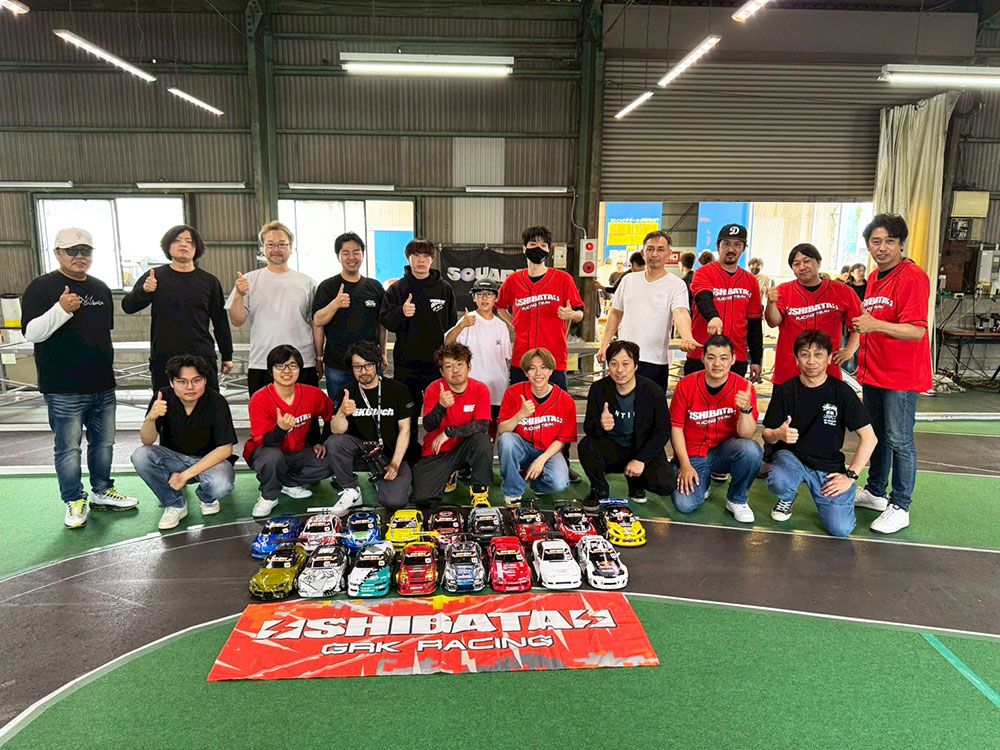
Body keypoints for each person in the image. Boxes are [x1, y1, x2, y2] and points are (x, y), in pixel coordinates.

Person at [22, 227, 138, 528]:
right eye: (71, 250)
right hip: (63, 388)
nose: (79, 256)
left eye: (85, 250)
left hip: (102, 385)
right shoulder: (41, 287)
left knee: (104, 444)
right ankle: (74, 499)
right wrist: (61, 310)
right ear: (57, 253)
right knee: (68, 448)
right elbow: (31, 333)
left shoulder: (100, 288)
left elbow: (101, 334)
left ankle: (102, 491)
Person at [851, 214, 931, 534]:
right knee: (878, 435)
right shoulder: (874, 277)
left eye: (889, 241)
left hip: (900, 376)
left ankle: (901, 505)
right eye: (875, 242)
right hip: (874, 372)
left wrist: (875, 325)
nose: (881, 248)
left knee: (900, 440)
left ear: (901, 244)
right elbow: (869, 321)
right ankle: (875, 492)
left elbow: (916, 331)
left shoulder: (912, 277)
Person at [763, 330, 876, 537]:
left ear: (829, 358)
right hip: (792, 459)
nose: (811, 361)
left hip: (828, 467)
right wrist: (778, 434)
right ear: (796, 359)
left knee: (841, 529)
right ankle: (787, 496)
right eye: (805, 355)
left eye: (818, 355)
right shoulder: (785, 391)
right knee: (780, 481)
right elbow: (766, 434)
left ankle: (841, 498)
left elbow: (870, 438)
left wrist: (850, 476)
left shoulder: (842, 392)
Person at [122, 224, 233, 392]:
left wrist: (227, 355)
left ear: (196, 248)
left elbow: (220, 321)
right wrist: (144, 291)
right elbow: (128, 307)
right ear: (168, 246)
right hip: (165, 356)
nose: (183, 244)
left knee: (208, 404)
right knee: (165, 404)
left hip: (201, 356)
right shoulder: (155, 276)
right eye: (177, 240)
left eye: (189, 241)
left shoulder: (209, 281)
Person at [132, 354, 237, 530]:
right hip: (174, 459)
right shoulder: (163, 397)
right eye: (182, 381)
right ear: (172, 382)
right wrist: (151, 417)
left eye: (196, 380)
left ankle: (207, 497)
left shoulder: (216, 401)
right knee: (140, 456)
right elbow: (147, 440)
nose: (190, 387)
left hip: (209, 461)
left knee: (221, 485)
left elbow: (225, 449)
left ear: (205, 380)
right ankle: (174, 504)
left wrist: (184, 476)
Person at [670, 335, 763, 522]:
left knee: (751, 450)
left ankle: (737, 499)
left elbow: (746, 435)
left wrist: (746, 409)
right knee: (685, 504)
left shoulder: (743, 388)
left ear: (733, 360)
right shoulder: (686, 385)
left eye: (723, 358)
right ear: (703, 358)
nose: (717, 364)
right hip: (693, 454)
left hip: (724, 451)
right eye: (711, 357)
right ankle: (702, 481)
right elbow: (676, 428)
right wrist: (685, 466)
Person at [379, 238, 457, 461]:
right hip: (407, 366)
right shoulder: (397, 289)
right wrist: (401, 313)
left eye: (426, 256)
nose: (421, 260)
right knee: (407, 417)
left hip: (436, 366)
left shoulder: (444, 288)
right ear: (408, 258)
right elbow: (386, 321)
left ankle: (439, 459)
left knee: (439, 415)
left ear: (432, 259)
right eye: (416, 255)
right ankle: (408, 460)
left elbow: (451, 324)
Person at [243, 345, 339, 518]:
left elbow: (329, 415)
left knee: (331, 461)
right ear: (271, 370)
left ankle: (287, 483)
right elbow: (266, 442)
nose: (286, 371)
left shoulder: (312, 394)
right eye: (280, 366)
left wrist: (322, 442)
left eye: (292, 365)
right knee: (271, 457)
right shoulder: (259, 398)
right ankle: (269, 496)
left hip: (298, 451)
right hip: (266, 451)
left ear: (300, 369)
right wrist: (281, 429)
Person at [227, 221, 320, 396]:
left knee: (306, 412)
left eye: (282, 244)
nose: (276, 249)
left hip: (302, 362)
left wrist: (319, 358)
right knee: (264, 412)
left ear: (291, 248)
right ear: (263, 248)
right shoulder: (249, 280)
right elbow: (237, 321)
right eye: (270, 244)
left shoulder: (307, 283)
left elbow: (316, 324)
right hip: (262, 363)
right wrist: (239, 294)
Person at [579, 340, 674, 510]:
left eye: (625, 364)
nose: (619, 370)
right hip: (614, 449)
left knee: (665, 484)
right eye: (614, 364)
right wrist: (601, 424)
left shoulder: (653, 392)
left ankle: (636, 482)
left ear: (636, 366)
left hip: (641, 448)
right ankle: (599, 489)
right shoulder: (599, 389)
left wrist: (641, 459)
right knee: (586, 446)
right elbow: (588, 427)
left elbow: (662, 431)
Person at [598, 231, 698, 390]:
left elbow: (680, 312)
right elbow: (616, 313)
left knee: (652, 405)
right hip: (625, 360)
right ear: (643, 253)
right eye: (650, 249)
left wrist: (687, 337)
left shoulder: (676, 284)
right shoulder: (629, 280)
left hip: (655, 361)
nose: (655, 254)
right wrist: (604, 344)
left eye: (660, 249)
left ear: (669, 254)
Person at [325, 341, 414, 516]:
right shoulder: (346, 392)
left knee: (394, 502)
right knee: (334, 443)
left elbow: (405, 429)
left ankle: (383, 481)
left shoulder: (398, 389)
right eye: (357, 367)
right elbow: (336, 431)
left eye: (368, 365)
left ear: (377, 365)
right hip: (362, 448)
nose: (363, 371)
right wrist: (341, 412)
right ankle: (351, 490)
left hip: (390, 452)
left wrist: (395, 463)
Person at [496, 225, 584, 394]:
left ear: (549, 250)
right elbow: (500, 307)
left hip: (554, 358)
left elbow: (580, 313)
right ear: (524, 249)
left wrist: (572, 314)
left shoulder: (563, 279)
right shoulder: (513, 281)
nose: (538, 249)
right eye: (533, 245)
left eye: (543, 245)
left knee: (556, 404)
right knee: (521, 403)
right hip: (523, 358)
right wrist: (514, 322)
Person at [764, 243, 861, 387]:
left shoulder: (842, 291)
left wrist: (850, 350)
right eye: (796, 264)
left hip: (827, 372)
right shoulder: (784, 290)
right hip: (789, 371)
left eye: (806, 261)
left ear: (818, 262)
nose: (802, 267)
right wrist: (771, 303)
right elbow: (773, 322)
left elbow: (860, 325)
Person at [409, 343, 493, 508]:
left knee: (483, 441)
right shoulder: (434, 389)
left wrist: (450, 432)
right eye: (448, 366)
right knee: (422, 498)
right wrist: (441, 406)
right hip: (438, 451)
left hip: (466, 449)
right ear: (442, 371)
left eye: (459, 364)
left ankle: (480, 492)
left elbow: (482, 426)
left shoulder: (480, 389)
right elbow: (429, 426)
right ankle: (449, 474)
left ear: (469, 367)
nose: (455, 370)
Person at [496, 348, 577, 507]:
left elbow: (562, 440)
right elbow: (502, 430)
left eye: (543, 367)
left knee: (560, 483)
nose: (538, 373)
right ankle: (513, 491)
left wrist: (542, 460)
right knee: (506, 441)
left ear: (551, 371)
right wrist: (520, 415)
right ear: (526, 373)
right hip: (522, 447)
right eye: (532, 368)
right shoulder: (513, 393)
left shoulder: (566, 400)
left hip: (548, 450)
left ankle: (538, 484)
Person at [313, 232, 387, 398]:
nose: (351, 257)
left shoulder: (375, 287)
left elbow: (382, 325)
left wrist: (382, 353)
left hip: (369, 363)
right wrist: (335, 304)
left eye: (356, 252)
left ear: (363, 255)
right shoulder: (327, 287)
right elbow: (317, 320)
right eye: (345, 253)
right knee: (339, 407)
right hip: (337, 364)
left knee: (372, 407)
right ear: (338, 257)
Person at [687, 224, 763, 383]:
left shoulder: (751, 281)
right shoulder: (703, 273)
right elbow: (702, 297)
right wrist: (713, 317)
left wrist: (756, 359)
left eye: (737, 244)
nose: (731, 249)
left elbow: (754, 322)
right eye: (726, 244)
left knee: (732, 399)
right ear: (718, 247)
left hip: (736, 357)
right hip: (702, 355)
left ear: (743, 248)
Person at [444, 277, 512, 436]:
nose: (484, 298)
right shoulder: (468, 320)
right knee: (472, 431)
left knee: (491, 432)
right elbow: (448, 342)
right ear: (474, 298)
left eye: (489, 294)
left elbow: (506, 359)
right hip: (472, 388)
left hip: (497, 389)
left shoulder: (501, 326)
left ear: (496, 298)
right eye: (480, 294)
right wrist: (462, 325)